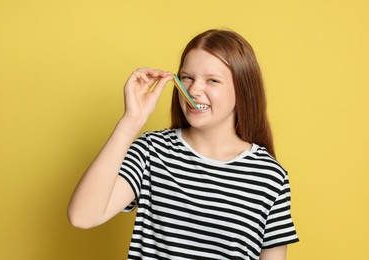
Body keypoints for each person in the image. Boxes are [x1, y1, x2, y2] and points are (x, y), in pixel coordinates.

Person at [68, 29, 299, 260]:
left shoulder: (270, 176)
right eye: (187, 77)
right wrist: (131, 120)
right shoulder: (152, 151)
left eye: (212, 80)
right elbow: (82, 217)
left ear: (242, 90)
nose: (194, 90)